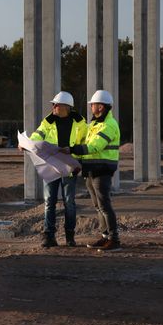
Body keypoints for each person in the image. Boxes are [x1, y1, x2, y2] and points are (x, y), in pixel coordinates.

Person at [27, 91, 87, 248]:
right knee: (49, 201)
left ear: (66, 107)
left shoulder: (81, 124)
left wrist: (80, 165)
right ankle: (49, 237)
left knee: (69, 202)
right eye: (53, 104)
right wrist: (26, 144)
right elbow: (36, 137)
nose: (53, 107)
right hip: (51, 166)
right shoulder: (48, 122)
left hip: (69, 166)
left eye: (56, 104)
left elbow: (84, 145)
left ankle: (70, 237)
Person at [68, 90, 121, 252]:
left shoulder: (109, 125)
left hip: (102, 170)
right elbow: (85, 145)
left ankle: (114, 239)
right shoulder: (94, 125)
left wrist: (71, 149)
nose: (91, 107)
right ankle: (105, 236)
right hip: (91, 169)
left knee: (104, 205)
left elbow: (95, 146)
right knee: (98, 206)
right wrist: (71, 156)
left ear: (102, 106)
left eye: (93, 104)